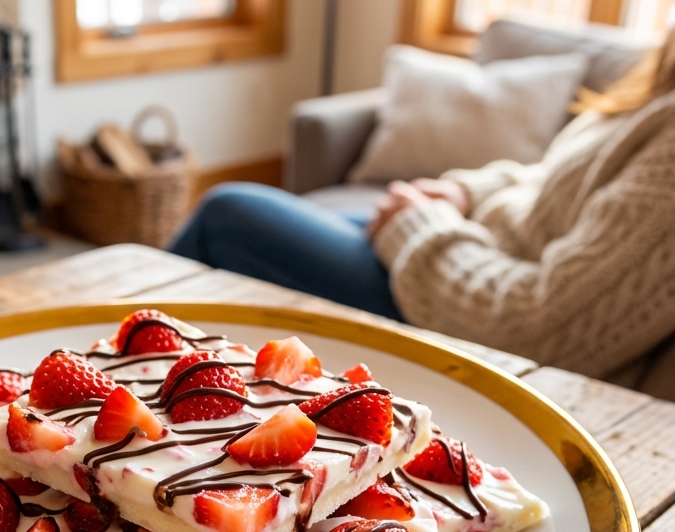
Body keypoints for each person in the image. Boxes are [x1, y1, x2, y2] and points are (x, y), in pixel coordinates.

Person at [171, 25, 675, 381]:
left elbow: (545, 330)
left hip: (453, 299)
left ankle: (142, 372)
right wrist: (462, 192)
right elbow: (547, 181)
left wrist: (417, 226)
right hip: (464, 244)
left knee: (228, 214)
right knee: (261, 220)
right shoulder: (658, 89)